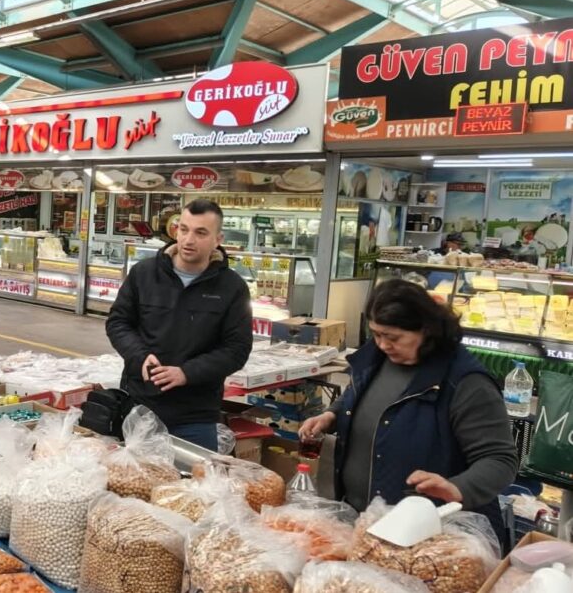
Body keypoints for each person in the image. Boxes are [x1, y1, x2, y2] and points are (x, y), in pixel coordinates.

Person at [300, 279, 517, 546]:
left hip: (429, 536)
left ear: (427, 329)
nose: (382, 344)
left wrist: (458, 488)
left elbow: (500, 459)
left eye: (393, 337)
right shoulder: (375, 358)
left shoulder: (464, 382)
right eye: (376, 334)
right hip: (362, 523)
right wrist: (333, 415)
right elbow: (356, 395)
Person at [106, 198, 252, 450]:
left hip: (194, 416)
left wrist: (187, 373)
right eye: (183, 229)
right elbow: (118, 322)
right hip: (141, 407)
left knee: (193, 486)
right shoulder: (144, 274)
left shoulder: (232, 287)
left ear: (218, 239)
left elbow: (236, 349)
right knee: (133, 483)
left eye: (200, 232)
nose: (188, 239)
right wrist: (139, 356)